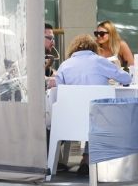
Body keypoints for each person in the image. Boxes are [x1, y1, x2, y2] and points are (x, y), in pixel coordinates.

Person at [54, 34, 131, 175]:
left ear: (73, 49)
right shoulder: (100, 61)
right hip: (100, 118)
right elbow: (126, 78)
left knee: (90, 113)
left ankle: (56, 161)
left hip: (70, 119)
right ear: (94, 48)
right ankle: (87, 159)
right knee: (97, 113)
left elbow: (59, 91)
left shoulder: (64, 65)